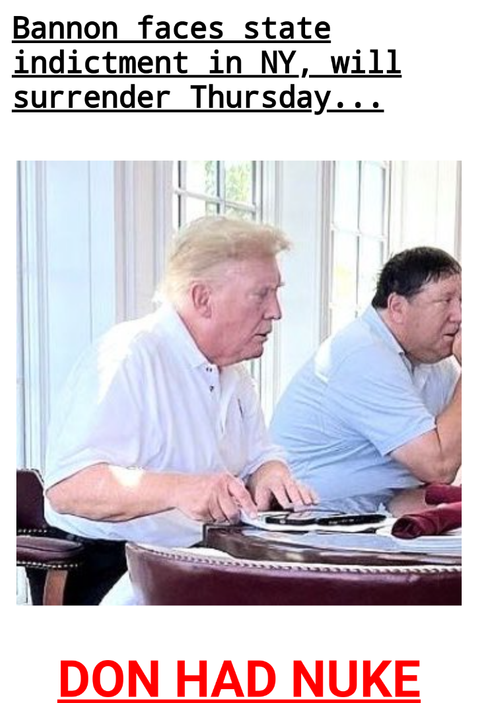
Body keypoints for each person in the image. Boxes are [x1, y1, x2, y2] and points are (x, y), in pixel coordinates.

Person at [41, 216, 315, 604]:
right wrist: (181, 489)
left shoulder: (233, 371)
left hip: (204, 563)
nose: (276, 311)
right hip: (115, 572)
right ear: (202, 298)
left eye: (276, 293)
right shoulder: (127, 356)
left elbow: (259, 456)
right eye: (261, 294)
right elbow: (68, 488)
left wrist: (271, 472)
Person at [270, 247, 461, 514]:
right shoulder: (362, 353)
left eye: (462, 301)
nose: (460, 315)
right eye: (446, 301)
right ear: (397, 307)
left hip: (378, 514)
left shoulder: (436, 361)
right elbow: (438, 466)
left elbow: (445, 462)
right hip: (312, 520)